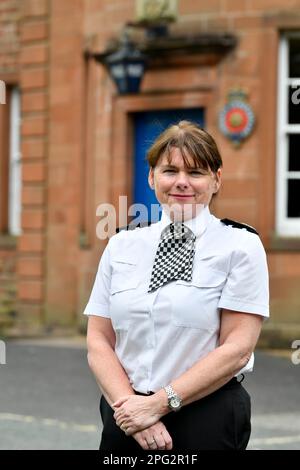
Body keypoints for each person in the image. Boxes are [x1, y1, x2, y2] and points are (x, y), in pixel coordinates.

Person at [84, 120, 269, 451]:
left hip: (205, 416)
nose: (182, 182)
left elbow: (238, 348)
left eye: (196, 172)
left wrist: (156, 405)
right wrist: (132, 409)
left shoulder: (240, 246)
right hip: (125, 414)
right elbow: (99, 338)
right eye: (170, 171)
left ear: (216, 180)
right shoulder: (122, 244)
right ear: (152, 177)